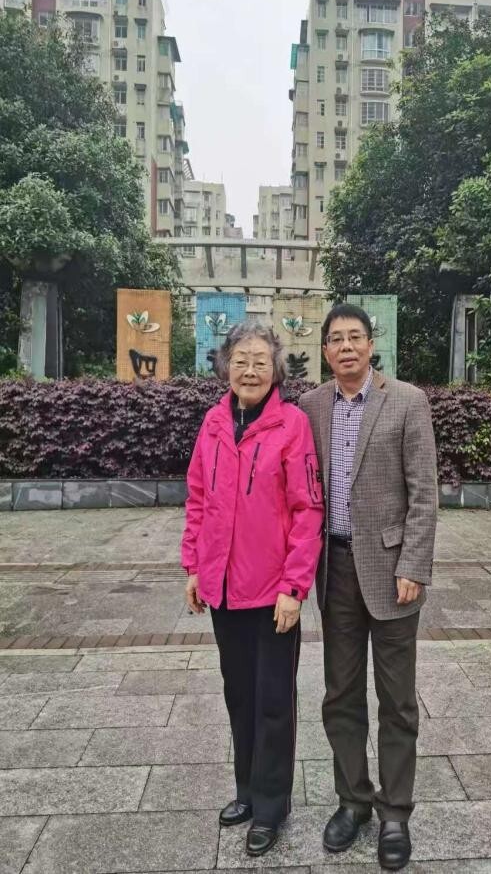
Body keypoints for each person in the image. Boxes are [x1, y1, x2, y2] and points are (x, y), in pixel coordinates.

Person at [299, 303, 437, 871]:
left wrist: (414, 566)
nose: (347, 347)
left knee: (397, 700)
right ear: (325, 350)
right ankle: (353, 800)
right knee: (341, 694)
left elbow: (424, 493)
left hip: (392, 570)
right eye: (336, 339)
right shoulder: (310, 406)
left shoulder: (406, 401)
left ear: (370, 345)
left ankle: (395, 812)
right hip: (334, 571)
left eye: (355, 337)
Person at [181, 322, 324, 857]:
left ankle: (269, 806)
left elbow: (308, 510)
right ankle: (246, 789)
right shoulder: (214, 422)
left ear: (276, 369)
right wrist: (194, 567)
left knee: (273, 701)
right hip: (222, 588)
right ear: (225, 366)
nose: (249, 370)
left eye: (260, 361)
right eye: (240, 360)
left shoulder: (292, 425)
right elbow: (198, 497)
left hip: (272, 593)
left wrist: (294, 586)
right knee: (239, 694)